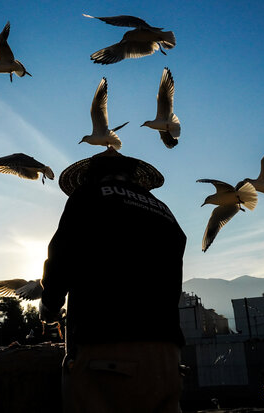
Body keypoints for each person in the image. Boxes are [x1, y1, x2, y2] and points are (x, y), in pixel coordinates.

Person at [40, 147, 186, 413]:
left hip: (108, 349)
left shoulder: (88, 197)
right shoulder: (164, 212)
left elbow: (60, 257)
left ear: (91, 176)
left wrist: (49, 306)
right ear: (133, 176)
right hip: (167, 355)